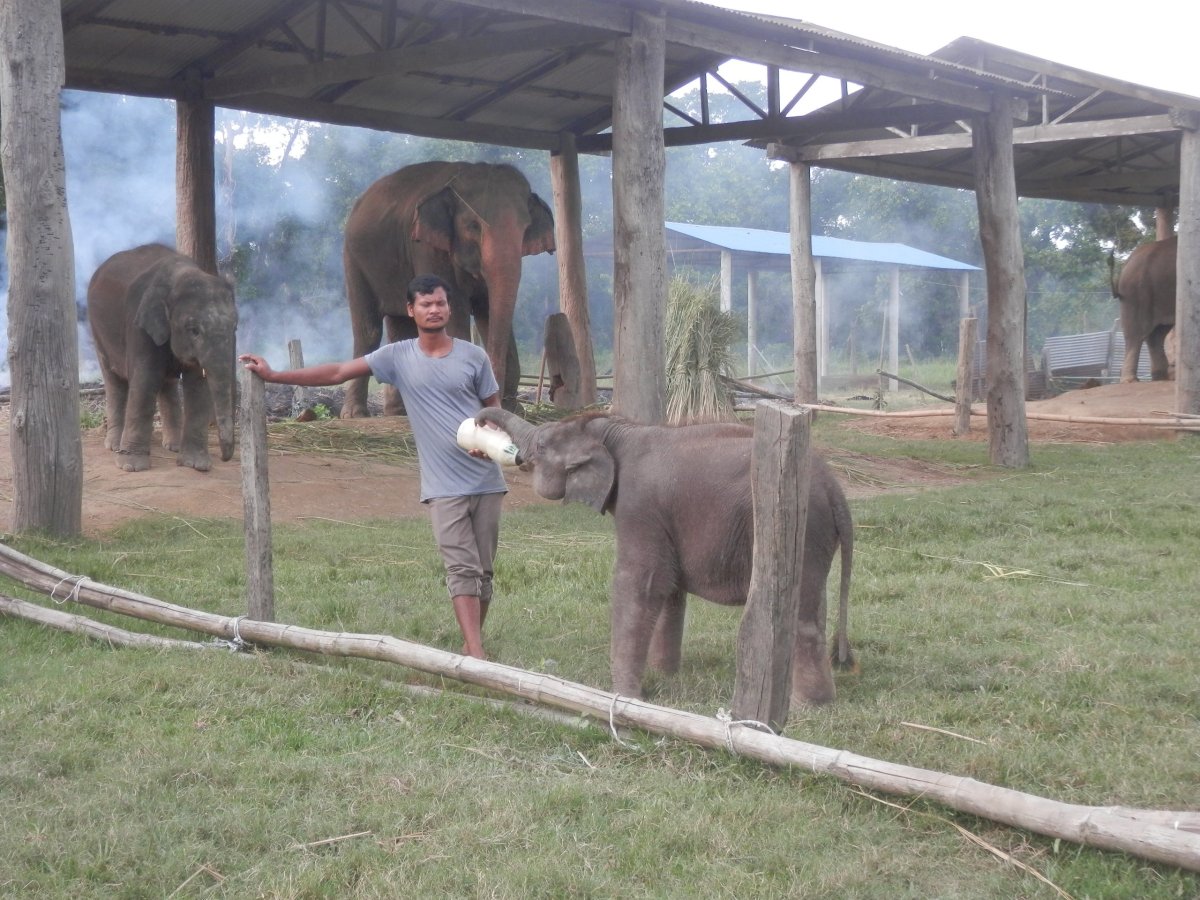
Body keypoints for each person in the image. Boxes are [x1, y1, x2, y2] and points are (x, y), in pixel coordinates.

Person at [239, 274, 506, 660]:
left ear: (449, 309)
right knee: (462, 568)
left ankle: (471, 642)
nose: (434, 310)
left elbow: (494, 410)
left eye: (440, 303)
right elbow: (337, 373)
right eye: (426, 304)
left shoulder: (473, 357)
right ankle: (477, 654)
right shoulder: (397, 357)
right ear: (411, 310)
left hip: (486, 480)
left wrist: (492, 437)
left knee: (483, 571)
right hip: (443, 485)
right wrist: (275, 375)